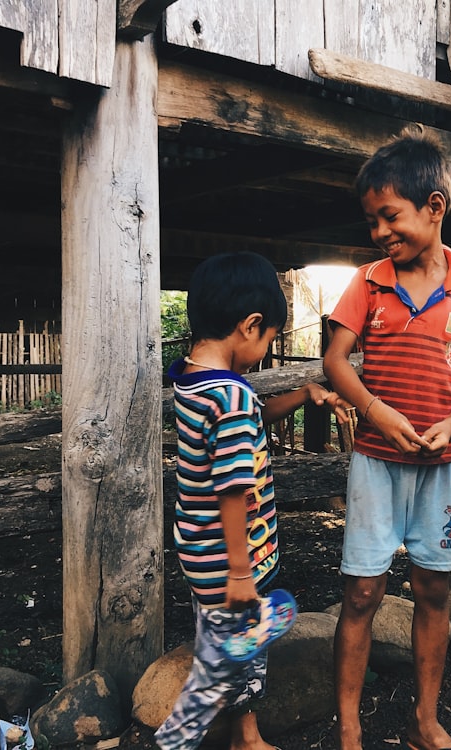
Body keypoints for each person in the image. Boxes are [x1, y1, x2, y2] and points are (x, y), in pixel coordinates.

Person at [322, 126, 451, 750]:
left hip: (445, 464)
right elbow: (336, 361)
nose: (380, 232)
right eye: (372, 220)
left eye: (390, 216)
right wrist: (377, 412)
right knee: (362, 592)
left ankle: (424, 721)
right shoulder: (369, 281)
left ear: (435, 207)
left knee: (434, 590)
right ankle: (349, 729)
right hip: (376, 463)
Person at [156, 252, 346, 750]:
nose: (264, 350)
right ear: (250, 325)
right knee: (232, 659)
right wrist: (241, 571)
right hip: (231, 559)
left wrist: (304, 395)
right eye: (268, 339)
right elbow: (233, 487)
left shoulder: (193, 382)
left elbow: (256, 415)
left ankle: (244, 731)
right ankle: (187, 736)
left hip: (199, 552)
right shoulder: (232, 397)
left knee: (225, 640)